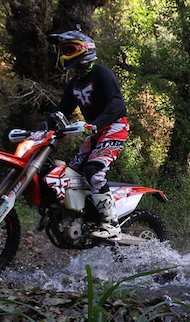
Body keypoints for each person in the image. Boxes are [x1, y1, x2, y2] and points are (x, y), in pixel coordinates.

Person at [43, 29, 129, 239]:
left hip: (114, 127)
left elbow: (117, 103)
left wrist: (95, 124)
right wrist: (42, 129)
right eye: (63, 50)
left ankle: (111, 224)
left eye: (68, 49)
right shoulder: (74, 83)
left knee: (94, 169)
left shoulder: (102, 73)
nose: (64, 54)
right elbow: (62, 109)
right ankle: (81, 215)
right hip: (95, 131)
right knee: (71, 173)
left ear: (83, 49)